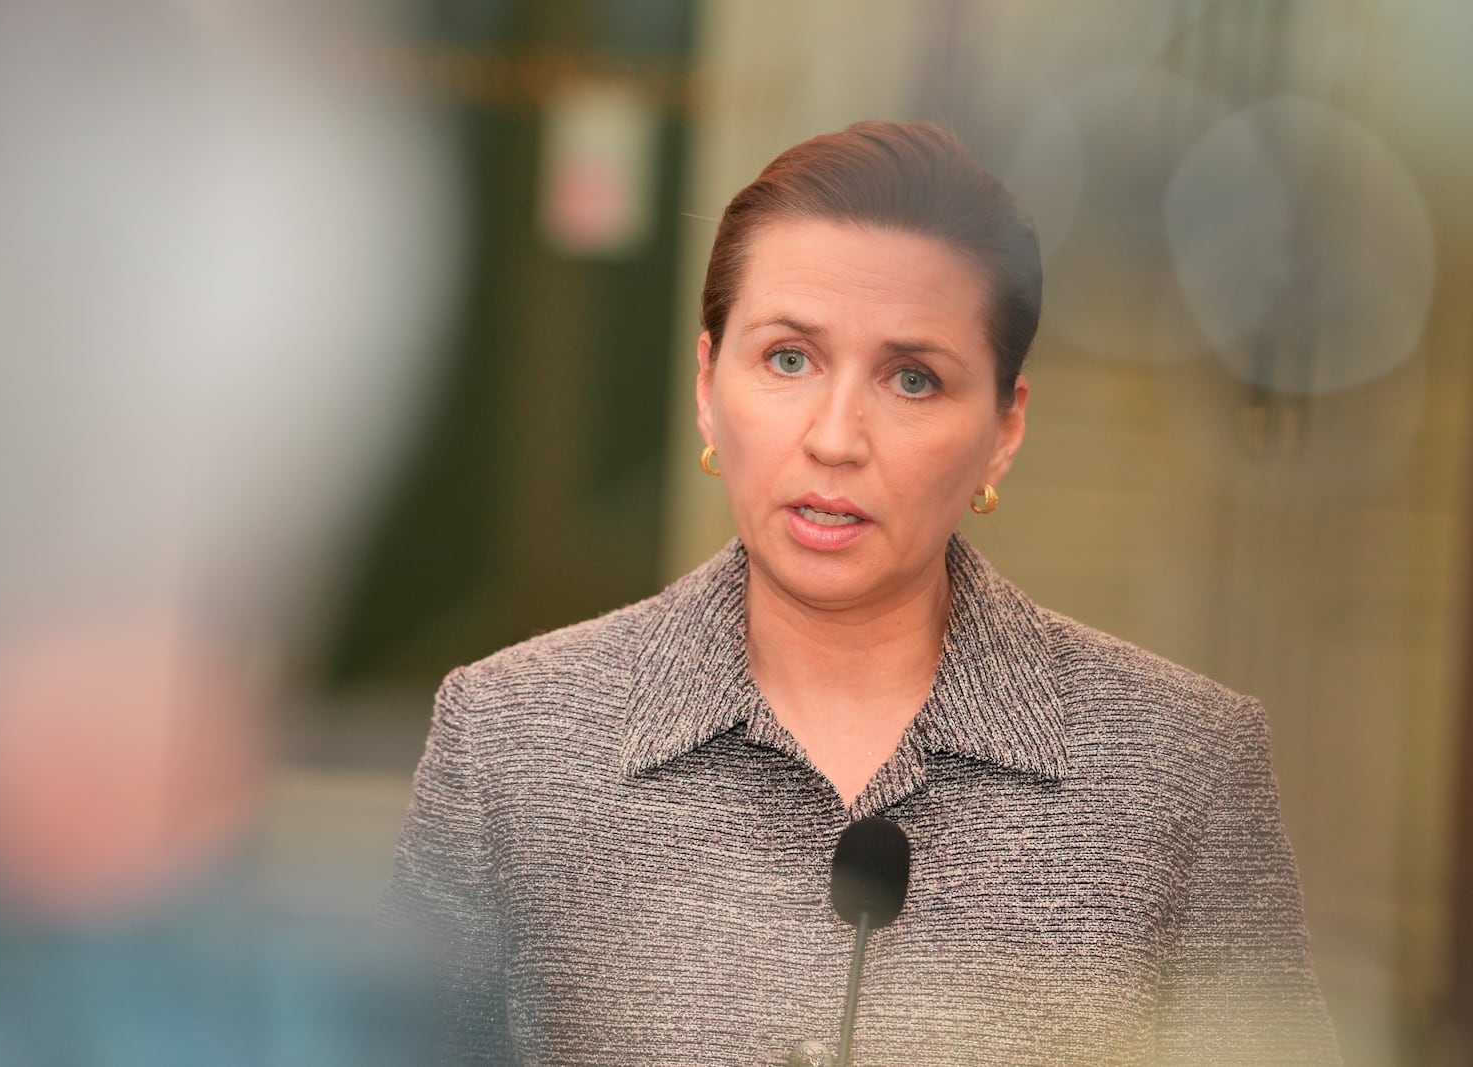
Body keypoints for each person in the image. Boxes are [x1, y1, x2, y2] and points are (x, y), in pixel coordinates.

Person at [382, 121, 1339, 1066]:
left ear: (1003, 429)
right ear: (710, 381)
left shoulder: (1181, 769)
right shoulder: (511, 735)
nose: (837, 437)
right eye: (788, 358)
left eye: (912, 379)